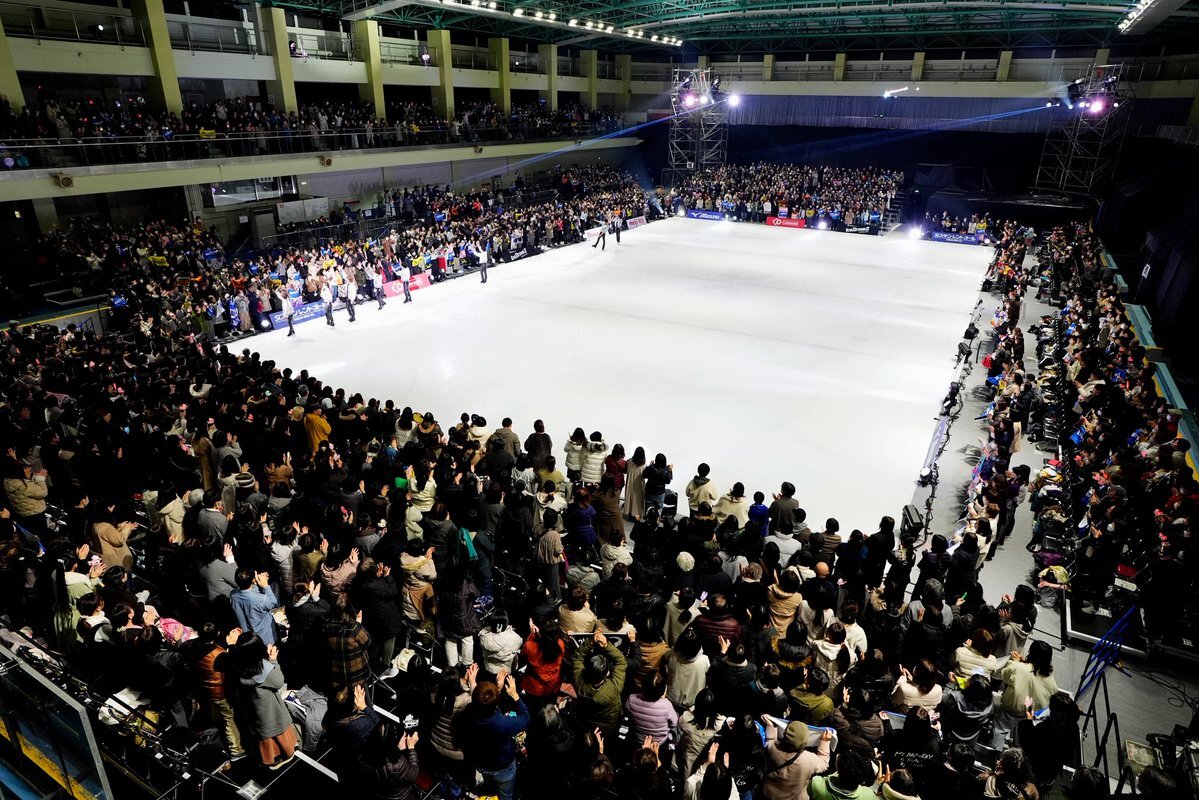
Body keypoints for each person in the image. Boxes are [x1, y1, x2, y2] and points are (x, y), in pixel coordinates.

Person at [455, 671, 530, 800]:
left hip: (481, 763)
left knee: (488, 787)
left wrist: (474, 683)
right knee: (505, 795)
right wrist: (515, 694)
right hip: (503, 768)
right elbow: (526, 718)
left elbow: (481, 704)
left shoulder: (468, 713)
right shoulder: (503, 724)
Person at [760, 720, 833, 800]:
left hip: (767, 794)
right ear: (805, 742)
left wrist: (771, 725)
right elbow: (824, 763)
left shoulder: (773, 749)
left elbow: (770, 739)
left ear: (784, 735)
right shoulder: (809, 760)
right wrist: (825, 742)